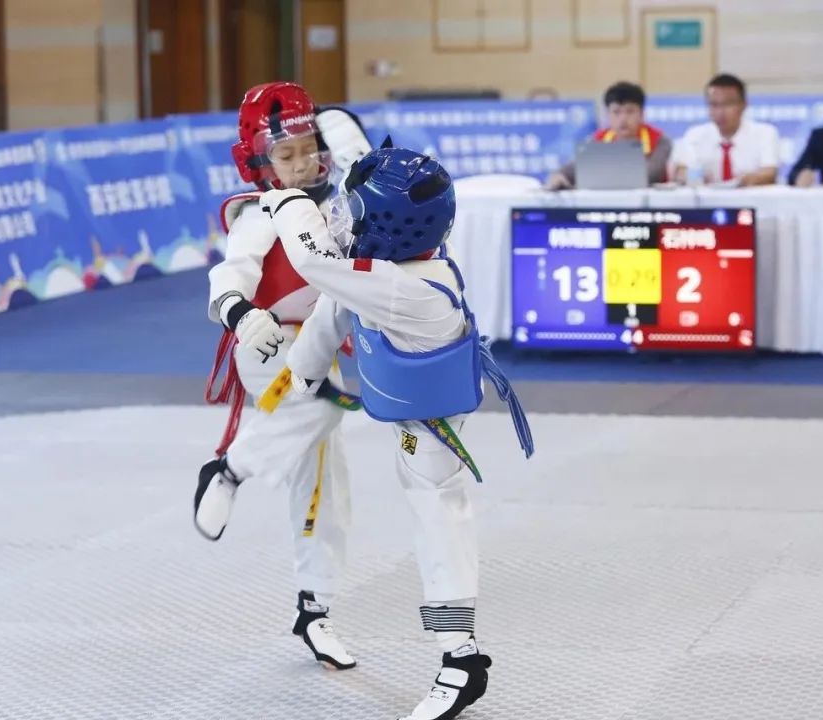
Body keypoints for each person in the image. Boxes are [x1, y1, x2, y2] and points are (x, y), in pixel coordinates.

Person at [232, 146, 534, 720]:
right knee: (426, 509)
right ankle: (459, 655)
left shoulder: (407, 286)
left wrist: (290, 202)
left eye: (357, 211)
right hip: (411, 414)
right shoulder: (382, 273)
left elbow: (319, 268)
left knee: (437, 516)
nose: (347, 220)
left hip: (433, 431)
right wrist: (302, 377)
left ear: (391, 225)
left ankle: (461, 659)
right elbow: (335, 303)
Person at [194, 81, 371, 672]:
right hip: (268, 344)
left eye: (307, 149)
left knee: (325, 485)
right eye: (285, 154)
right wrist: (241, 316)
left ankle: (314, 608)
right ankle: (230, 468)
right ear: (259, 162)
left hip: (320, 346)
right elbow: (229, 275)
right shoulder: (261, 211)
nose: (301, 163)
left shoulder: (338, 203)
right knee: (322, 405)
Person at [546, 81, 672, 188]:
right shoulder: (598, 139)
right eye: (616, 112)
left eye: (630, 111)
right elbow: (574, 169)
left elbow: (651, 176)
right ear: (607, 115)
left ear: (642, 114)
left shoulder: (660, 140)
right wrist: (558, 175)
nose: (623, 119)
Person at [672, 73, 780, 186]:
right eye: (714, 105)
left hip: (749, 201)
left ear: (744, 105)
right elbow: (681, 170)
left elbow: (769, 173)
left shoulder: (765, 133)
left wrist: (744, 181)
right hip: (707, 201)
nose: (720, 112)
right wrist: (693, 176)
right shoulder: (695, 135)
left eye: (728, 104)